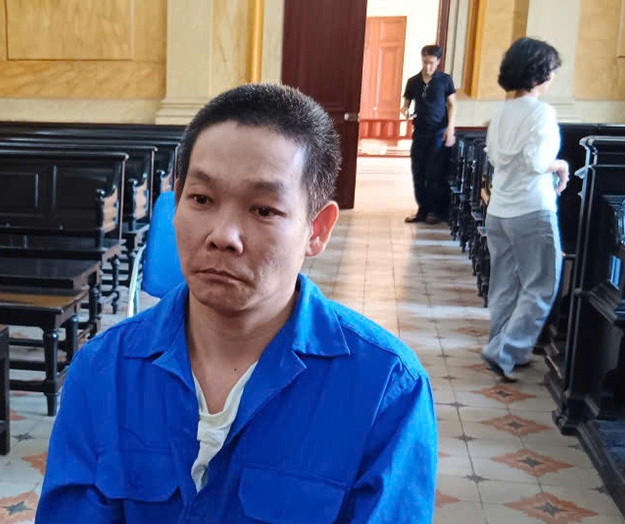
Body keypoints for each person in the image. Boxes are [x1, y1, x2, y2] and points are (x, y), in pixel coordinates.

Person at [36, 84, 437, 523]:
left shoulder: (385, 388)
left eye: (263, 210)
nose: (223, 235)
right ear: (175, 205)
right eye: (202, 199)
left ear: (317, 230)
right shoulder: (103, 370)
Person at [480, 37, 566, 382]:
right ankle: (505, 350)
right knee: (541, 285)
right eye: (552, 69)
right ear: (541, 72)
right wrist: (560, 166)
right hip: (532, 209)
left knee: (505, 283)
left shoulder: (500, 112)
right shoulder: (541, 113)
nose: (553, 76)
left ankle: (501, 345)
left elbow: (495, 157)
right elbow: (537, 161)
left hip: (499, 210)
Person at [401, 44, 457, 225]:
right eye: (425, 62)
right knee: (417, 172)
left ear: (438, 61)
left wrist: (450, 129)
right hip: (420, 132)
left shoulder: (445, 80)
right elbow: (405, 105)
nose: (428, 66)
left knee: (434, 174)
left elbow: (452, 105)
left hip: (438, 132)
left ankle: (435, 211)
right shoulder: (413, 81)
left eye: (431, 63)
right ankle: (422, 210)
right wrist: (405, 111)